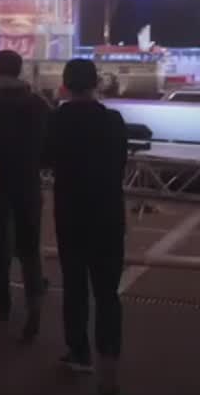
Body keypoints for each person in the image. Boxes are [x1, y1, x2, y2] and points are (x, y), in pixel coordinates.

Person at [48, 59, 128, 393]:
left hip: (71, 213)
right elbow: (121, 162)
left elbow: (45, 159)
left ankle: (79, 353)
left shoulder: (57, 120)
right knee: (108, 293)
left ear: (65, 84)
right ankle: (109, 370)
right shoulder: (113, 121)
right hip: (109, 214)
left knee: (75, 286)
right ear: (96, 83)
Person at [0, 49, 50, 339]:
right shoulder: (38, 104)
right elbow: (48, 146)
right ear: (19, 69)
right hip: (28, 182)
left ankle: (2, 307)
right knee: (30, 247)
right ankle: (34, 303)